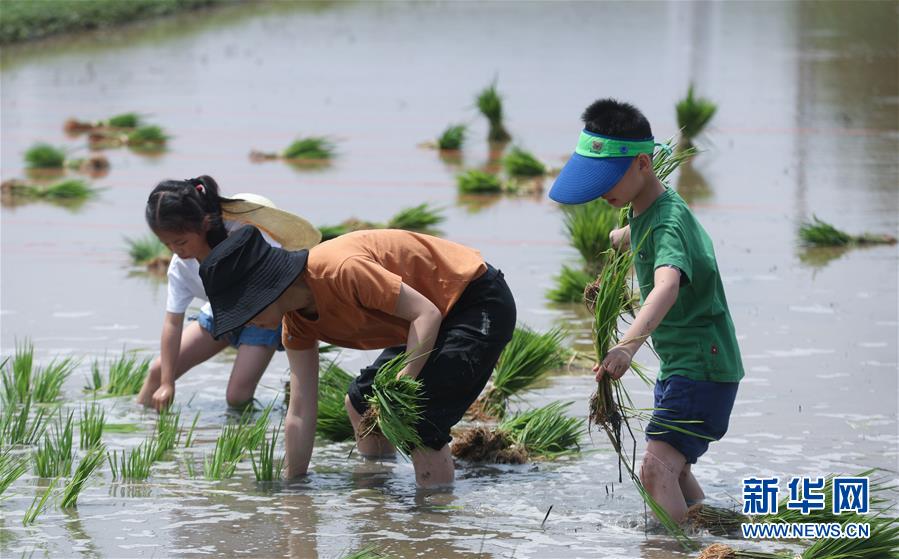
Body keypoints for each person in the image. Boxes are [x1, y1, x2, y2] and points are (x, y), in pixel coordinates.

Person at [198, 226, 516, 487]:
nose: (246, 322)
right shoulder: (295, 323)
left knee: (420, 419)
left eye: (245, 310)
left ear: (266, 289)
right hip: (425, 318)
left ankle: (432, 527)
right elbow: (300, 409)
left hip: (473, 300)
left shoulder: (341, 270)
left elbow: (426, 313)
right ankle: (379, 487)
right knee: (362, 401)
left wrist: (403, 384)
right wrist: (293, 484)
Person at [549, 99, 743, 522]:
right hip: (683, 367)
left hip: (702, 369)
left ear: (642, 163)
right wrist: (620, 242)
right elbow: (639, 231)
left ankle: (668, 550)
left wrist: (626, 346)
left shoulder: (669, 223)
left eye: (607, 179)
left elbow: (667, 285)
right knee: (675, 470)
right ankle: (708, 534)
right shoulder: (644, 210)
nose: (601, 191)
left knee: (655, 468)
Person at [136, 175, 321, 411]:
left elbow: (283, 274)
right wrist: (166, 383)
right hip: (221, 313)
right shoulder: (180, 267)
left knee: (236, 397)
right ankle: (143, 430)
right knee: (157, 372)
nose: (175, 250)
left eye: (180, 242)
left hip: (264, 316)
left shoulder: (244, 236)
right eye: (167, 244)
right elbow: (172, 323)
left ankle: (252, 433)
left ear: (204, 224)